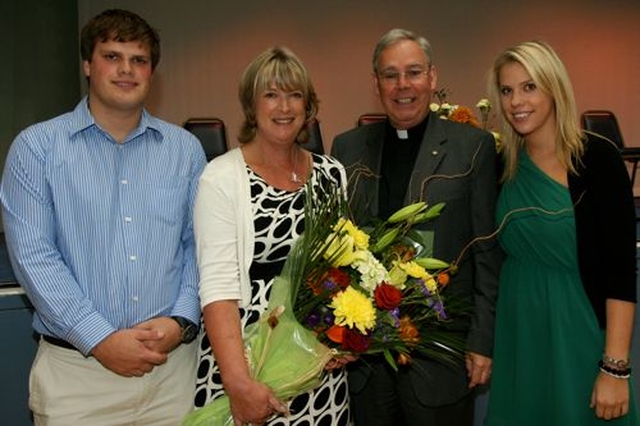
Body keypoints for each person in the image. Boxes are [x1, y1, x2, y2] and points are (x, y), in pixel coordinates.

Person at [0, 9, 206, 425]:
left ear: (152, 72)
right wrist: (100, 339)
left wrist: (182, 319)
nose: (127, 69)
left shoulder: (185, 150)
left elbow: (200, 247)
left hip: (174, 373)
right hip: (78, 378)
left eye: (139, 60)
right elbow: (35, 258)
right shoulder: (37, 148)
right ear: (88, 65)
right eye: (112, 56)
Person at [331, 28, 502, 425]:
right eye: (390, 75)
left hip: (440, 353)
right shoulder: (348, 147)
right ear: (376, 84)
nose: (402, 85)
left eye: (413, 72)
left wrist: (482, 340)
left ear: (432, 77)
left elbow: (486, 253)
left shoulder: (472, 147)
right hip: (366, 359)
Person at [193, 46, 351, 426]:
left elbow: (347, 268)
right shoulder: (221, 177)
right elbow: (217, 287)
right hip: (250, 363)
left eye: (295, 94)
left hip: (320, 368)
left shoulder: (333, 173)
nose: (284, 107)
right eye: (271, 94)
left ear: (308, 105)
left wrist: (348, 338)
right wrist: (238, 383)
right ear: (252, 104)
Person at [484, 40, 638, 425]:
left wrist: (615, 368)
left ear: (555, 89)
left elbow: (621, 272)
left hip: (577, 324)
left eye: (529, 87)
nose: (516, 101)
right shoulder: (501, 166)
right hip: (519, 328)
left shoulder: (597, 160)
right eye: (507, 90)